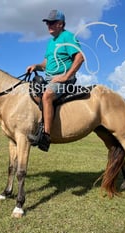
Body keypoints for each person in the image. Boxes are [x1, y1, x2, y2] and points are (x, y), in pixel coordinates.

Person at [26, 10, 84, 152]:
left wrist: (65, 76)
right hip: (49, 78)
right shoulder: (51, 42)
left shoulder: (68, 37)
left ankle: (46, 136)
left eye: (51, 23)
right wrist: (36, 66)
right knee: (32, 92)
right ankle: (39, 125)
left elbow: (80, 57)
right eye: (47, 23)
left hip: (64, 78)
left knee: (47, 96)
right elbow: (46, 63)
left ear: (60, 24)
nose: (48, 26)